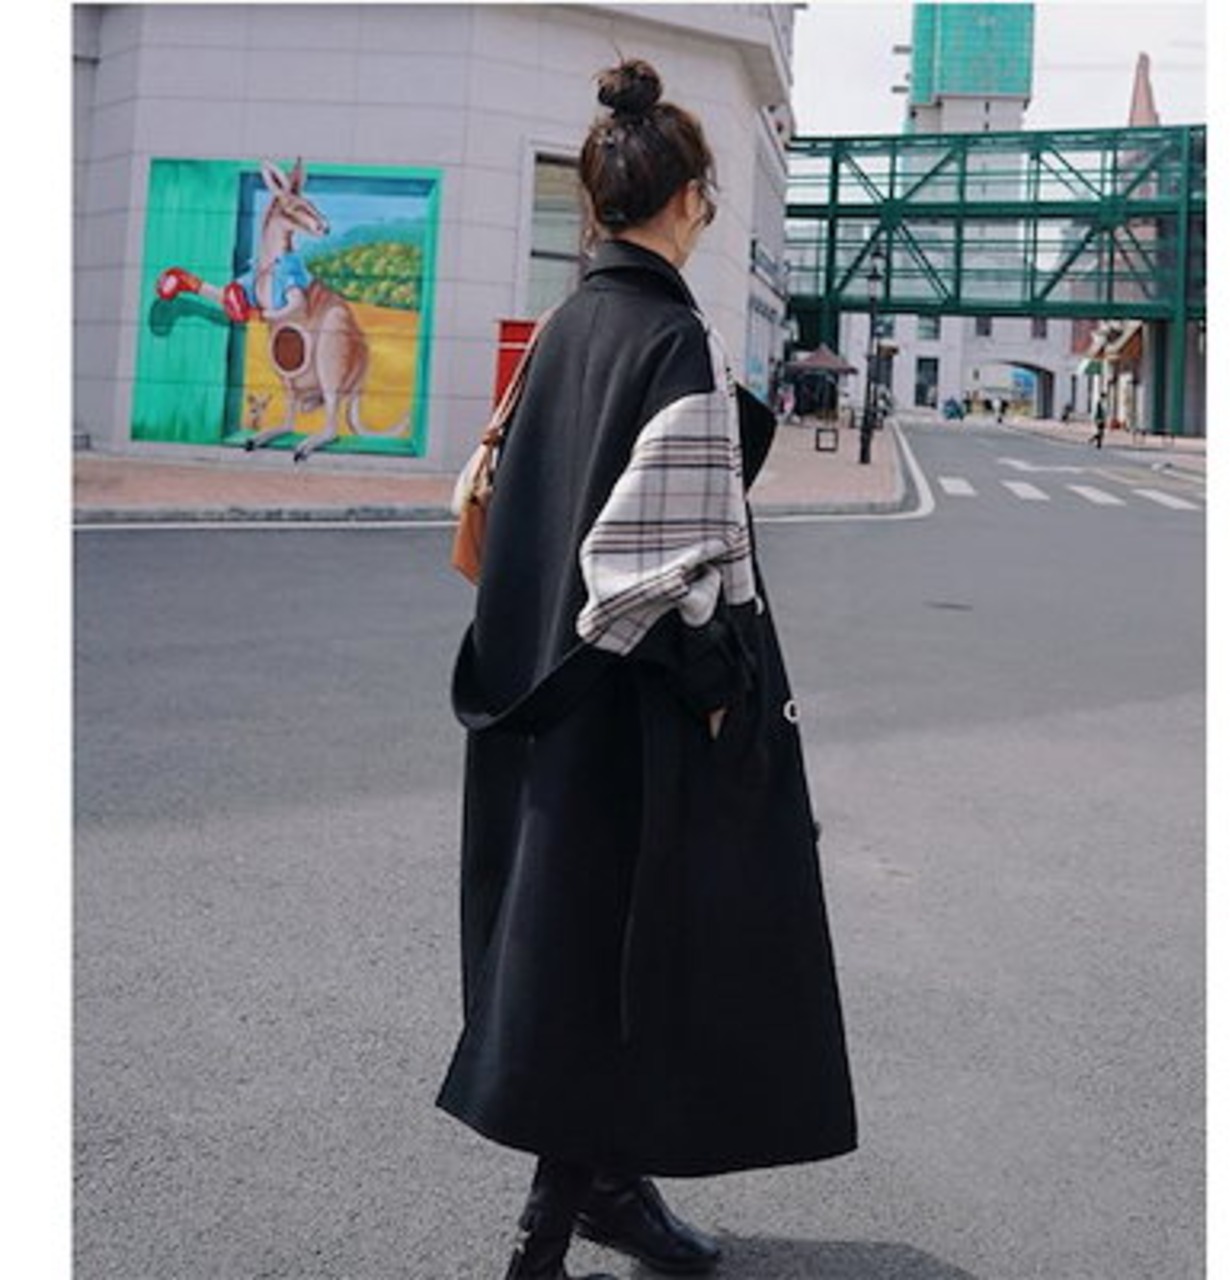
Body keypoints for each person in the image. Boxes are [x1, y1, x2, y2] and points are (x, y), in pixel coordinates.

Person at [438, 58, 858, 1280]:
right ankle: (553, 1225)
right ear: (685, 201)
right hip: (628, 711)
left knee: (570, 951)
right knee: (635, 959)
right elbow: (662, 567)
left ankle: (597, 1197)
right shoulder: (672, 339)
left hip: (533, 691)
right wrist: (725, 697)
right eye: (707, 200)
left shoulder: (560, 328)